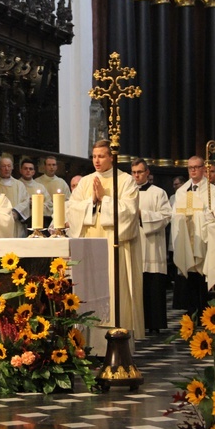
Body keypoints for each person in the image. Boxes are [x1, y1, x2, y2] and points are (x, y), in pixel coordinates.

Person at [68, 140, 144, 345]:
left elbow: (129, 215)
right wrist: (91, 202)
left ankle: (118, 342)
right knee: (91, 291)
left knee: (114, 289)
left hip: (114, 247)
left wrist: (105, 199)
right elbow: (71, 210)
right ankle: (91, 344)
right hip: (91, 245)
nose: (97, 161)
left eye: (101, 156)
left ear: (112, 157)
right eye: (94, 156)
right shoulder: (85, 182)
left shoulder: (125, 181)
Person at [170, 156, 215, 315]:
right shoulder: (182, 191)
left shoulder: (212, 190)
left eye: (197, 167)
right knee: (189, 279)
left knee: (203, 281)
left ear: (204, 168)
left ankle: (205, 315)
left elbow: (214, 214)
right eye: (190, 167)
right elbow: (174, 214)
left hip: (203, 241)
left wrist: (202, 216)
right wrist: (181, 218)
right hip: (187, 239)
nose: (194, 170)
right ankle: (191, 314)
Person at [131, 158, 171, 334]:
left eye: (140, 172)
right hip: (133, 244)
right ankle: (136, 323)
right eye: (134, 172)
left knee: (153, 286)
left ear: (147, 172)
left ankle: (154, 324)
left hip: (152, 246)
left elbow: (166, 216)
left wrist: (142, 215)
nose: (137, 175)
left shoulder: (158, 192)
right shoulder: (127, 193)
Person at [0, 157, 30, 238]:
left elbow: (25, 201)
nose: (6, 169)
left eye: (9, 166)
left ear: (12, 167)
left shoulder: (19, 185)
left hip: (15, 222)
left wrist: (16, 212)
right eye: (3, 166)